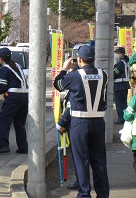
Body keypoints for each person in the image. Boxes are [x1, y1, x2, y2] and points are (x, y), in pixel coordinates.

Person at [53, 45, 109, 198]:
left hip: (79, 123)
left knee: (81, 160)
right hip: (98, 122)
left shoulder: (75, 76)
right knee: (99, 161)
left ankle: (84, 194)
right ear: (94, 59)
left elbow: (58, 85)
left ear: (79, 59)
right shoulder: (104, 74)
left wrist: (64, 69)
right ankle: (103, 194)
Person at [0, 47, 28, 155]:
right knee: (19, 123)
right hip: (25, 95)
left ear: (0, 58)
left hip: (13, 97)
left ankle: (3, 145)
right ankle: (23, 147)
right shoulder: (18, 66)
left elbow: (3, 87)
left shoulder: (4, 69)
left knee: (4, 121)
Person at [114, 47, 130, 124]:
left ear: (121, 54)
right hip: (125, 85)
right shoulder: (126, 62)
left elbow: (114, 74)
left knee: (119, 104)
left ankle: (121, 118)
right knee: (123, 103)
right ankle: (124, 118)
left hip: (119, 85)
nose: (116, 54)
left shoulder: (120, 63)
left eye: (117, 53)